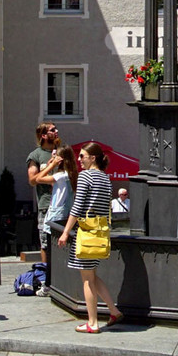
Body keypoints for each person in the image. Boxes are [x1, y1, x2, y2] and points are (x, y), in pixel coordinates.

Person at [59, 142, 122, 333]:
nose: (78, 159)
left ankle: (92, 322)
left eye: (82, 156)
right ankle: (113, 311)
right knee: (92, 275)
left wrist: (65, 232)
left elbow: (77, 207)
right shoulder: (105, 177)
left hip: (86, 231)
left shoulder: (86, 175)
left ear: (92, 158)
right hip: (100, 231)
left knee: (87, 279)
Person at [25, 122, 61, 261]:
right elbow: (32, 180)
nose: (56, 131)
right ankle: (46, 274)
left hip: (63, 203)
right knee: (46, 242)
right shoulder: (36, 155)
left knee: (64, 241)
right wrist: (51, 166)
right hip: (46, 204)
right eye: (52, 130)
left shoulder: (61, 151)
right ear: (44, 135)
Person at [40, 145, 76, 264]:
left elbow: (39, 179)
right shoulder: (72, 175)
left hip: (56, 213)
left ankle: (47, 273)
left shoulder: (60, 176)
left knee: (48, 246)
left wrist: (51, 165)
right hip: (67, 213)